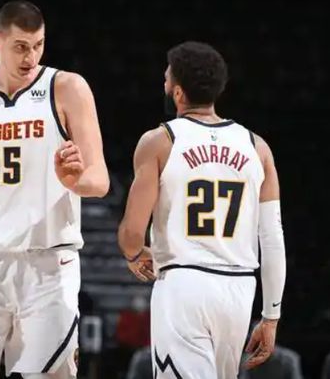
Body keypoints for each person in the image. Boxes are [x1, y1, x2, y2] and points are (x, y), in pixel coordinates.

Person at [0, 0, 109, 379]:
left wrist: (74, 181)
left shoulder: (66, 88)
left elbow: (100, 180)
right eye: (21, 47)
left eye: (38, 45)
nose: (31, 57)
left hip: (47, 263)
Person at [117, 41, 287, 378]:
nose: (164, 86)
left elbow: (132, 232)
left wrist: (134, 253)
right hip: (238, 289)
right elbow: (272, 239)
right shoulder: (258, 148)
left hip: (184, 283)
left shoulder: (160, 141)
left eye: (166, 80)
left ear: (178, 93)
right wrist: (271, 316)